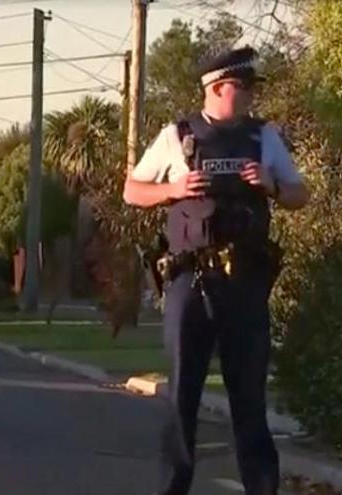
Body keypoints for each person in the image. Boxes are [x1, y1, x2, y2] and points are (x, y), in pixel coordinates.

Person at [123, 46, 309, 495]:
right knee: (183, 394)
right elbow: (132, 189)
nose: (250, 96)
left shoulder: (264, 136)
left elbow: (299, 194)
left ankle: (261, 487)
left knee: (249, 397)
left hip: (245, 283)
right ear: (219, 87)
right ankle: (175, 486)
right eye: (244, 87)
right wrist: (172, 188)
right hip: (192, 281)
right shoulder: (178, 134)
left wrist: (271, 185)